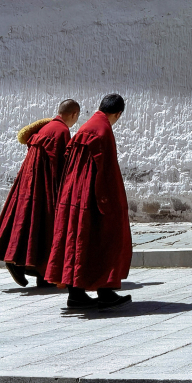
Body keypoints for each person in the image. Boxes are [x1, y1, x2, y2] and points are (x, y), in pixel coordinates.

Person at [45, 92, 134, 310]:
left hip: (74, 195)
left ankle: (76, 294)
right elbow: (106, 172)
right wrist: (111, 204)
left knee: (78, 241)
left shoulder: (85, 127)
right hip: (92, 198)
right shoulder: (103, 131)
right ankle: (104, 292)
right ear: (118, 114)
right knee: (106, 240)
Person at [0, 99, 79, 286]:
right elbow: (60, 163)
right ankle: (31, 269)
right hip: (45, 185)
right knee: (46, 226)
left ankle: (37, 273)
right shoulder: (62, 131)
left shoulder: (46, 128)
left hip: (29, 182)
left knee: (30, 225)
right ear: (74, 114)